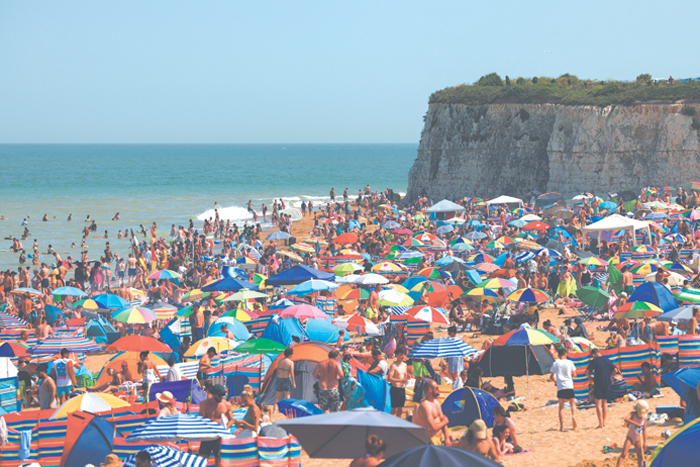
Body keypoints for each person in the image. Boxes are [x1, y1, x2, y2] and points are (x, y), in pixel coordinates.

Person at [199, 384, 234, 467]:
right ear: (214, 394)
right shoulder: (204, 404)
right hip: (207, 436)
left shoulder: (226, 404)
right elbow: (201, 420)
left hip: (219, 437)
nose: (222, 397)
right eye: (220, 395)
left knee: (219, 462)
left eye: (223, 395)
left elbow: (231, 420)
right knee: (201, 460)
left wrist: (224, 429)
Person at [412, 378, 451, 445]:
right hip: (429, 440)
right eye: (436, 388)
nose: (439, 390)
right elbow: (433, 427)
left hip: (439, 439)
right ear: (430, 389)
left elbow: (443, 421)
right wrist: (444, 421)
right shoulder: (425, 406)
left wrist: (447, 438)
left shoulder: (436, 403)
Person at [586, 347, 618, 428]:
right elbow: (615, 370)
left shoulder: (594, 361)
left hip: (598, 383)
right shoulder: (607, 360)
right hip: (607, 383)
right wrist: (609, 375)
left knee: (598, 404)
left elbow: (586, 372)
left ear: (593, 354)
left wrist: (591, 378)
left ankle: (600, 424)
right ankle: (604, 422)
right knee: (604, 403)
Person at [549, 347, 578, 431]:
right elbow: (574, 374)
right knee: (572, 403)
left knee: (561, 407)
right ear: (566, 354)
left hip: (560, 386)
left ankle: (562, 426)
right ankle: (573, 416)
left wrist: (555, 380)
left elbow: (551, 376)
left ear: (558, 355)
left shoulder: (556, 363)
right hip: (569, 385)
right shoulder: (569, 362)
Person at [615, 400, 649, 467]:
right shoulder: (633, 414)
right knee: (624, 454)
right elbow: (626, 419)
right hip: (630, 437)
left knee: (640, 456)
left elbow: (644, 430)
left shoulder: (643, 419)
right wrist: (636, 424)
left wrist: (645, 442)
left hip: (638, 438)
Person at [387, 346, 409, 417]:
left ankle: (399, 425)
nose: (402, 356)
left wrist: (407, 378)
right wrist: (401, 380)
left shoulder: (405, 365)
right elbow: (389, 378)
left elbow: (405, 376)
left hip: (402, 389)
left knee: (400, 410)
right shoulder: (394, 366)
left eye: (403, 354)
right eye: (401, 355)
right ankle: (390, 424)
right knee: (394, 410)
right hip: (395, 389)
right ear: (397, 355)